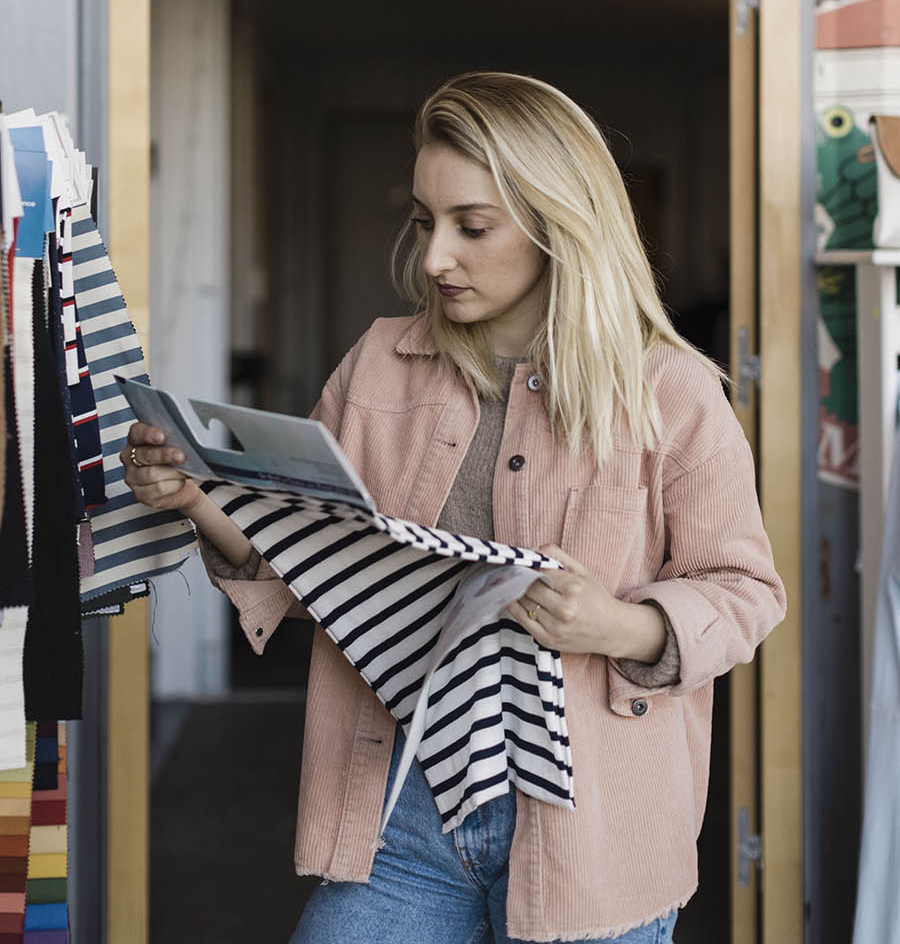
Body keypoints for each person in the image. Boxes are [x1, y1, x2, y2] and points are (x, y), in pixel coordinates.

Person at [122, 71, 786, 943]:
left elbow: (744, 590)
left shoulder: (674, 391)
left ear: (560, 225)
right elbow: (305, 549)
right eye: (425, 223)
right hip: (400, 812)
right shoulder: (379, 363)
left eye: (472, 227)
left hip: (594, 832)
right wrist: (198, 497)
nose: (436, 257)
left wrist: (619, 627)